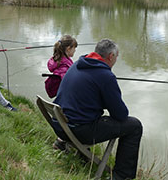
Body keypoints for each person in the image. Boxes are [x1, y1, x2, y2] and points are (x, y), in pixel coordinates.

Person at [53, 39, 142, 180]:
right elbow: (120, 114)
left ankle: (80, 154)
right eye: (117, 57)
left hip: (60, 126)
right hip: (79, 131)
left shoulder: (77, 64)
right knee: (134, 126)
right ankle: (122, 176)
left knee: (86, 115)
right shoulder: (106, 76)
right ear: (111, 56)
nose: (116, 60)